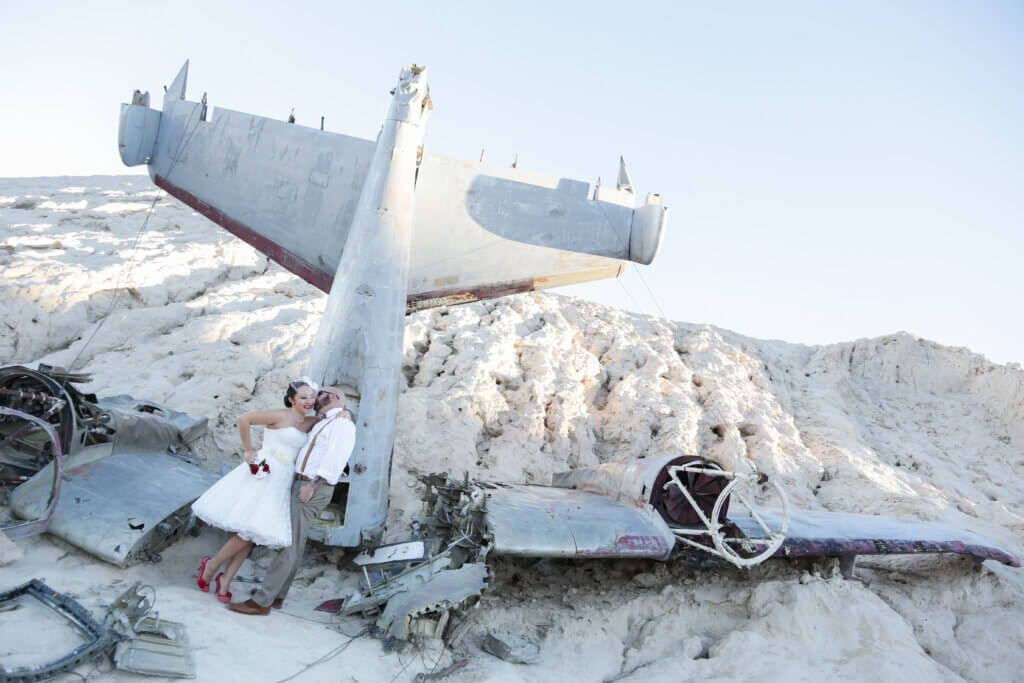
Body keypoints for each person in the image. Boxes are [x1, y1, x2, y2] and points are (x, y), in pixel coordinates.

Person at [229, 385, 356, 615]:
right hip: (304, 483)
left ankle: (262, 602)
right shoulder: (328, 421)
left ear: (335, 397)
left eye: (321, 393)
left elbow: (336, 459)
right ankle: (277, 596)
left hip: (312, 486)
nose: (316, 398)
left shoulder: (342, 424)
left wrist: (313, 485)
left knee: (288, 544)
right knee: (294, 543)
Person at [191, 378, 320, 602]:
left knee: (253, 533)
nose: (309, 401)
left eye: (311, 397)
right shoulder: (279, 415)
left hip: (282, 479)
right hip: (263, 473)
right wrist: (249, 450)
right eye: (303, 397)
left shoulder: (310, 422)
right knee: (247, 530)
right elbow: (244, 419)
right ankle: (211, 566)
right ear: (291, 399)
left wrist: (344, 414)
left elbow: (333, 419)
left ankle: (225, 580)